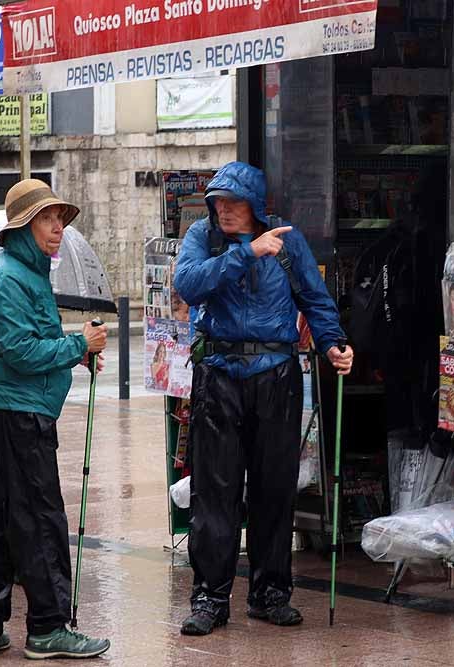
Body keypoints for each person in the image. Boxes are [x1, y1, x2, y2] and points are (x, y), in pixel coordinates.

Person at [173, 161, 354, 636]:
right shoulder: (203, 237)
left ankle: (270, 592)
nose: (224, 209)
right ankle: (210, 597)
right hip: (219, 376)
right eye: (218, 201)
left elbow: (314, 298)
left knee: (275, 487)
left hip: (276, 375)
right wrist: (247, 254)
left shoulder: (288, 241)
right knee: (215, 491)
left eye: (234, 201)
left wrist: (333, 341)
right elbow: (188, 285)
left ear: (256, 204)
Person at [0, 178, 111, 661]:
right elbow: (22, 351)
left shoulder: (25, 275)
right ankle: (49, 626)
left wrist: (76, 352)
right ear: (24, 227)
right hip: (16, 412)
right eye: (48, 220)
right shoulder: (9, 277)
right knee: (41, 519)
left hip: (14, 409)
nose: (58, 230)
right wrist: (77, 346)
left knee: (0, 514)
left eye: (60, 221)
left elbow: (30, 341)